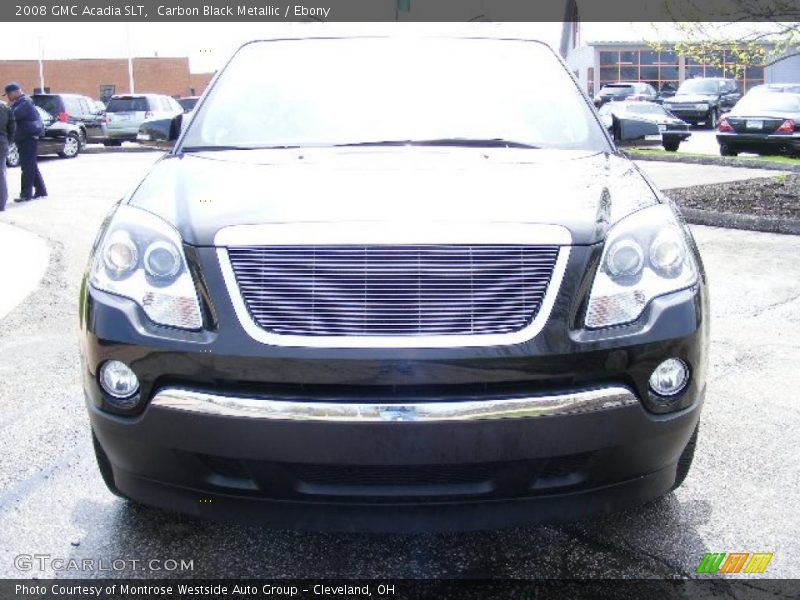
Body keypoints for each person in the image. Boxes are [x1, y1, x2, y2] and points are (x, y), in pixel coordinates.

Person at [3, 83, 47, 202]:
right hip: (25, 137)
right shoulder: (21, 102)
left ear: (15, 92)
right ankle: (41, 190)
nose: (8, 97)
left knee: (27, 166)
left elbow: (13, 115)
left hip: (28, 137)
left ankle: (26, 194)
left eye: (8, 95)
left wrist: (8, 107)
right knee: (31, 165)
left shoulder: (24, 102)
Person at [0, 98, 15, 211]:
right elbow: (12, 128)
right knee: (1, 173)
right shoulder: (5, 107)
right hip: (2, 142)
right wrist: (8, 141)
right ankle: (1, 203)